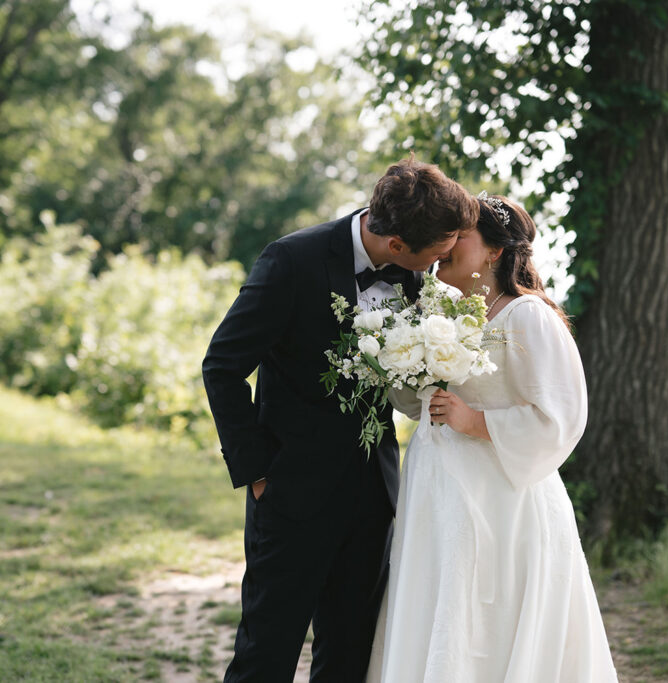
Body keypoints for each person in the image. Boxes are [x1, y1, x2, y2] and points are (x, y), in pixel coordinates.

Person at [202, 158, 480, 682]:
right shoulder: (291, 260)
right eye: (437, 256)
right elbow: (222, 366)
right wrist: (259, 472)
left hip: (372, 494)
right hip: (289, 493)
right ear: (397, 245)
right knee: (268, 651)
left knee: (351, 655)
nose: (442, 266)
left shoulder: (417, 279)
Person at [366, 195, 618, 682]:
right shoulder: (441, 312)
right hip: (435, 492)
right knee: (433, 604)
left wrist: (475, 421)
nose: (443, 245)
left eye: (459, 237)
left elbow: (562, 417)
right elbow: (418, 402)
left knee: (487, 616)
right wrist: (395, 362)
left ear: (494, 252)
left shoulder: (528, 316)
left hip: (501, 500)